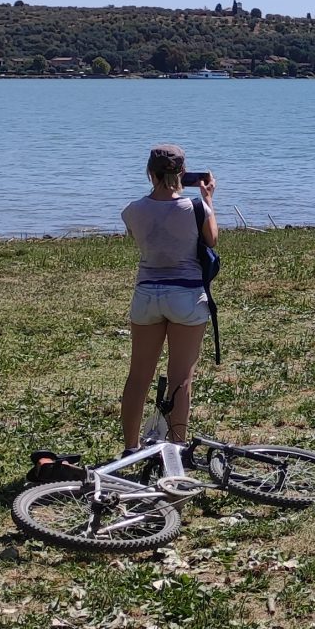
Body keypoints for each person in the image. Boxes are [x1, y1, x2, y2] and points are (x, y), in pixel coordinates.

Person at [120, 144, 217, 454]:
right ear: (182, 173)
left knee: (138, 377)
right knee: (180, 379)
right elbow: (211, 239)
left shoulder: (132, 210)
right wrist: (208, 199)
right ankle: (177, 448)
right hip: (186, 295)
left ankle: (131, 447)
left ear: (150, 172)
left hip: (147, 294)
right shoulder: (196, 208)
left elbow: (144, 239)